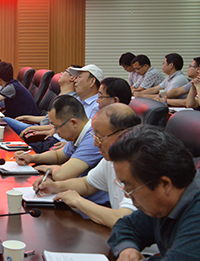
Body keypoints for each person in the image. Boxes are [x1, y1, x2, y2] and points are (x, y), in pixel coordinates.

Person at [34, 104, 140, 228]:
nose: (95, 144)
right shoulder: (110, 159)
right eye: (95, 137)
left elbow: (122, 219)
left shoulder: (143, 165)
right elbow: (87, 184)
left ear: (123, 135)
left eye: (100, 138)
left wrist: (78, 201)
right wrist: (55, 186)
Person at [107, 125, 200, 261]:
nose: (127, 195)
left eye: (131, 188)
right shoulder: (162, 204)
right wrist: (127, 249)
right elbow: (126, 225)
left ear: (164, 184)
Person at [15, 95, 107, 204]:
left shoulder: (92, 138)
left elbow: (62, 175)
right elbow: (58, 155)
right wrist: (32, 158)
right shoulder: (79, 133)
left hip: (95, 204)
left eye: (56, 127)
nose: (54, 131)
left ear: (73, 122)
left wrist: (47, 168)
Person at [4, 66, 80, 152]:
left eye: (65, 71)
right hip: (40, 127)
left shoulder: (70, 101)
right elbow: (48, 119)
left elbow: (56, 126)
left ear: (72, 78)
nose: (61, 73)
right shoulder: (61, 95)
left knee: (4, 121)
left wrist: (31, 128)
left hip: (43, 131)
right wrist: (26, 117)